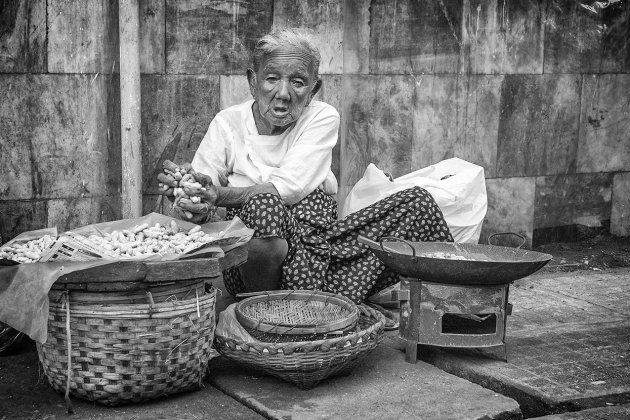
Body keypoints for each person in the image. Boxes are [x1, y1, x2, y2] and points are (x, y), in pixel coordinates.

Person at [158, 28, 452, 304]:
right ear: (253, 81)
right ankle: (265, 312)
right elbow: (204, 187)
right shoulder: (227, 123)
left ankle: (456, 307)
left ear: (314, 88)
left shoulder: (322, 117)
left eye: (298, 82)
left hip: (320, 254)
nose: (284, 93)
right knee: (263, 204)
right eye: (272, 79)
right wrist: (188, 196)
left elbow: (287, 188)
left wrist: (218, 194)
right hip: (253, 268)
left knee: (418, 203)